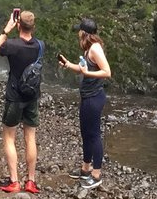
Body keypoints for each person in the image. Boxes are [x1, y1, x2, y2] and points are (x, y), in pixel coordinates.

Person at [0, 9, 43, 193]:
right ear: (33, 27)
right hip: (32, 96)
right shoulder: (40, 45)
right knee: (30, 137)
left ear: (19, 24)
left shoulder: (12, 45)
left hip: (14, 96)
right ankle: (31, 181)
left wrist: (7, 30)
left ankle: (14, 181)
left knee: (9, 138)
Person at [58, 18, 111, 190]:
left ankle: (96, 174)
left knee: (94, 135)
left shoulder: (95, 49)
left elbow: (107, 72)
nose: (78, 34)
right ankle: (85, 168)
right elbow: (84, 69)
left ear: (84, 33)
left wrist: (87, 73)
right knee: (86, 134)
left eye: (79, 31)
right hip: (88, 97)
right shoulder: (90, 48)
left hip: (94, 97)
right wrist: (68, 64)